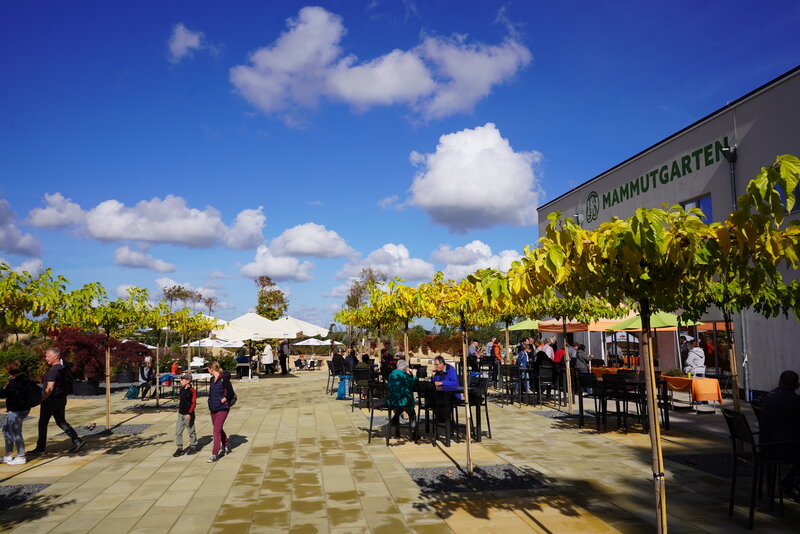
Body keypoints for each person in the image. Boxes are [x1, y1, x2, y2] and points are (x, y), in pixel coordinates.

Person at [30, 348, 84, 455]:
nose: (45, 358)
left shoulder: (54, 370)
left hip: (50, 401)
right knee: (61, 421)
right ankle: (77, 440)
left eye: (47, 356)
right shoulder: (63, 367)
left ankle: (40, 448)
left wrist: (40, 400)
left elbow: (49, 389)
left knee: (42, 423)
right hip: (61, 399)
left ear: (55, 357)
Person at [760, 370, 800, 495]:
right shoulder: (795, 402)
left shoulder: (770, 397)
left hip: (766, 444)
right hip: (782, 447)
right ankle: (790, 481)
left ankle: (790, 481)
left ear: (779, 381)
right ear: (797, 386)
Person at [1, 360, 34, 464]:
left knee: (16, 432)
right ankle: (8, 454)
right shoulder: (23, 378)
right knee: (6, 429)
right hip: (21, 409)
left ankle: (21, 456)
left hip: (17, 410)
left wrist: (7, 385)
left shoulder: (15, 382)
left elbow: (4, 393)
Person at [207, 361, 234, 462]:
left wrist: (224, 399)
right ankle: (226, 444)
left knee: (216, 430)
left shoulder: (224, 379)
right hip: (213, 407)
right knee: (218, 428)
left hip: (223, 407)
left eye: (208, 369)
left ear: (211, 369)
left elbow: (231, 392)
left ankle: (215, 453)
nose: (208, 371)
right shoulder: (211, 379)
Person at [386, 359, 419, 441]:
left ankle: (396, 431)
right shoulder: (404, 375)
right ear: (405, 368)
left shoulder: (391, 375)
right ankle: (414, 434)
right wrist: (414, 375)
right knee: (412, 414)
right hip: (404, 400)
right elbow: (413, 384)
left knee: (399, 408)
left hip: (392, 400)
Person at [173, 372, 198, 457]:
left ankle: (193, 446)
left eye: (182, 379)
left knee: (191, 431)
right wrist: (179, 407)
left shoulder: (192, 391)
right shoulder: (181, 389)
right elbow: (181, 399)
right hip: (181, 414)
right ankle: (179, 448)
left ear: (188, 381)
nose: (180, 381)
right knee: (178, 432)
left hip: (188, 414)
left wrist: (189, 413)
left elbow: (193, 403)